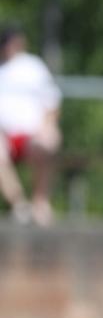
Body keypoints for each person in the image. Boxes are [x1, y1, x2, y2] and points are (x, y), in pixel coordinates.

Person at [0, 25, 62, 226]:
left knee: (46, 142)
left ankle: (40, 203)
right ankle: (19, 205)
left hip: (33, 133)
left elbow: (52, 102)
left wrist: (48, 127)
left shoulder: (33, 66)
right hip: (5, 136)